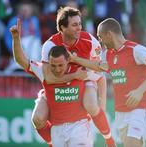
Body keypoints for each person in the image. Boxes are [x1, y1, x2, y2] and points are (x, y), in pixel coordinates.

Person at [69, 18, 146, 147]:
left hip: (140, 108)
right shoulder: (108, 54)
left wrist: (139, 91)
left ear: (109, 34)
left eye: (100, 36)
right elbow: (98, 66)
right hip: (121, 113)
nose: (100, 41)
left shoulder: (135, 49)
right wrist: (75, 59)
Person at [32, 6, 115, 147]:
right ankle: (53, 143)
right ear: (62, 28)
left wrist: (76, 61)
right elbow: (49, 78)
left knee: (91, 105)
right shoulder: (50, 45)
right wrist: (74, 74)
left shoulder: (89, 40)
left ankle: (109, 140)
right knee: (38, 119)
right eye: (75, 25)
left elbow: (103, 67)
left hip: (83, 78)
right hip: (58, 85)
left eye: (80, 24)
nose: (79, 28)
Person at [10, 18, 96, 147]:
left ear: (68, 61)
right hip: (57, 129)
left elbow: (100, 72)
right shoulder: (44, 71)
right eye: (53, 65)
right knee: (37, 118)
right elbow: (21, 60)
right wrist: (16, 38)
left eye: (60, 65)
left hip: (79, 127)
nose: (57, 69)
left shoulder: (81, 70)